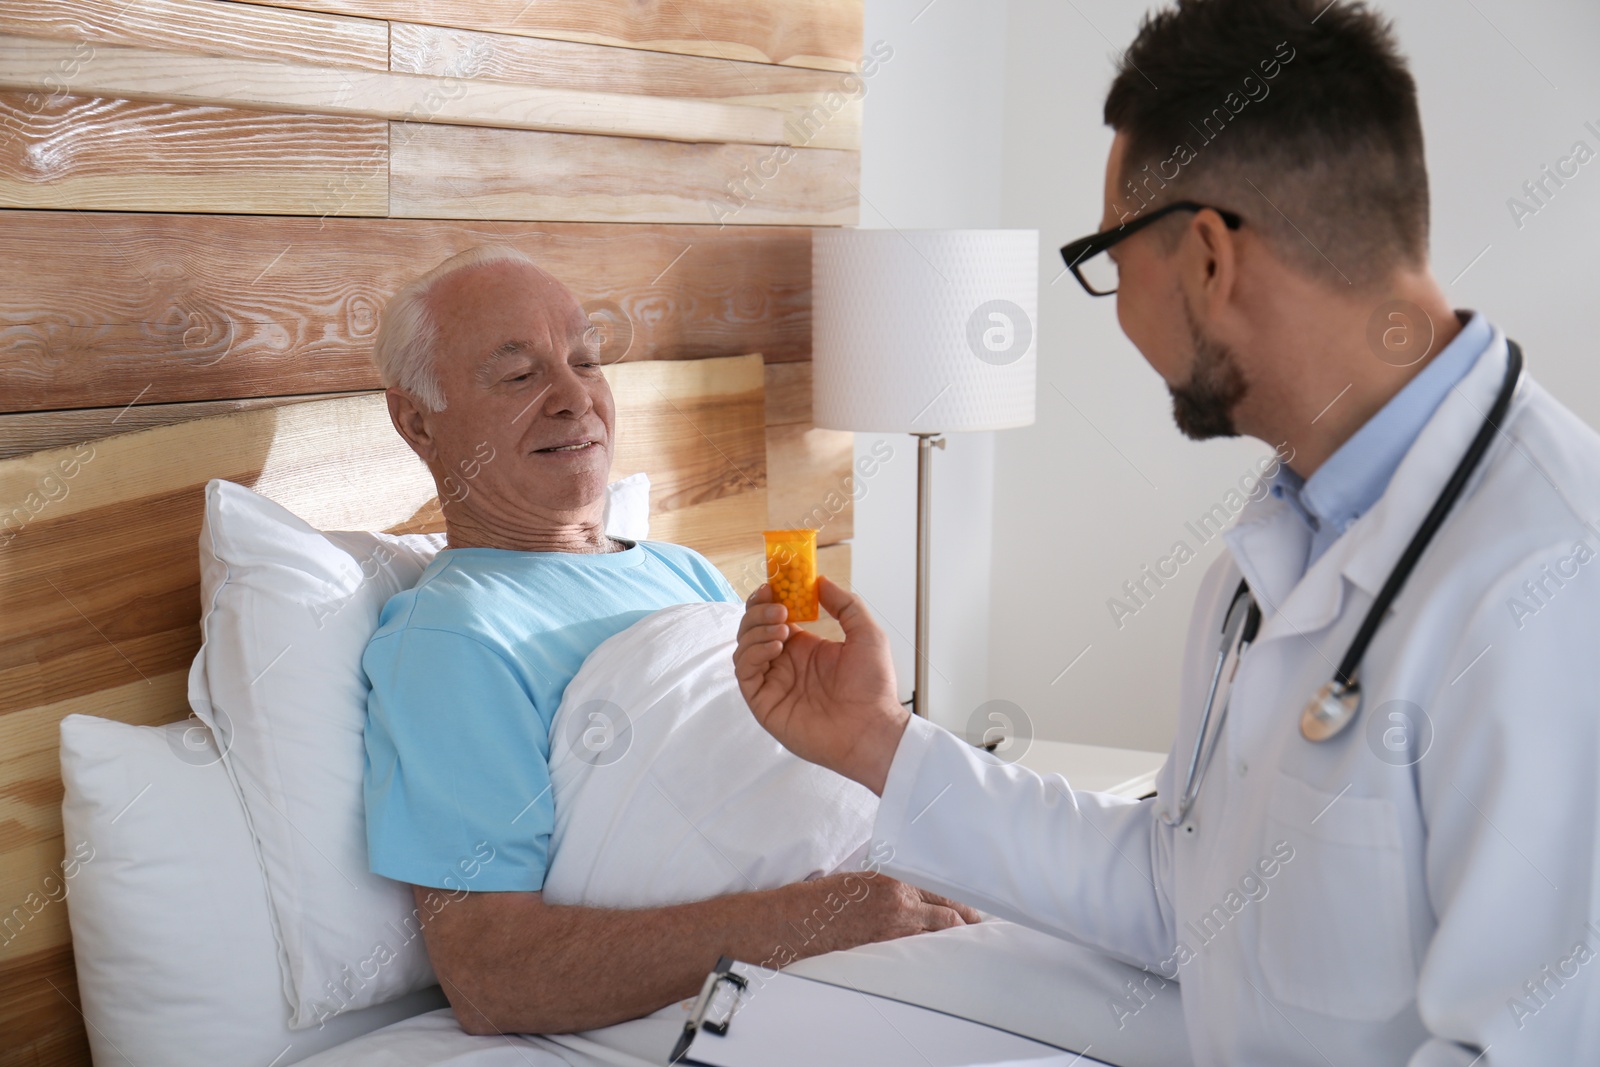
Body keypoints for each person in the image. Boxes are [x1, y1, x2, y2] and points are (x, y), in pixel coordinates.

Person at [734, 1, 1600, 1063]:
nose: (1109, 304)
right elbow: (1183, 890)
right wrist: (878, 741)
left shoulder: (1553, 576)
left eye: (1105, 252)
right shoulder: (1287, 530)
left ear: (1204, 257)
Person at [361, 245, 977, 1036]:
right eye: (518, 376)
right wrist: (818, 919)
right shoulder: (453, 637)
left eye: (585, 359)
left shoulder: (681, 570)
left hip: (893, 907)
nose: (573, 397)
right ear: (417, 419)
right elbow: (490, 974)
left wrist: (873, 729)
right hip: (790, 979)